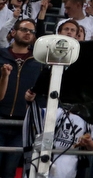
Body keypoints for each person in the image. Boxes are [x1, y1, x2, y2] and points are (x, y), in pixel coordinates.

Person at [0, 19, 42, 178]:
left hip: (23, 124)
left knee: (9, 170)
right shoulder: (1, 55)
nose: (28, 33)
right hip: (0, 118)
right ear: (13, 32)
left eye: (31, 31)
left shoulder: (38, 62)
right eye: (24, 29)